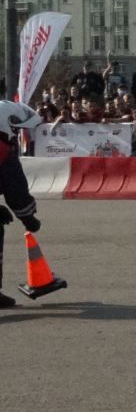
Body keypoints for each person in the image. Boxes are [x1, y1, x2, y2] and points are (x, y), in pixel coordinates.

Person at [0, 96, 61, 305]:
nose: (17, 134)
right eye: (15, 129)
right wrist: (29, 220)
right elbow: (16, 190)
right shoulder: (2, 151)